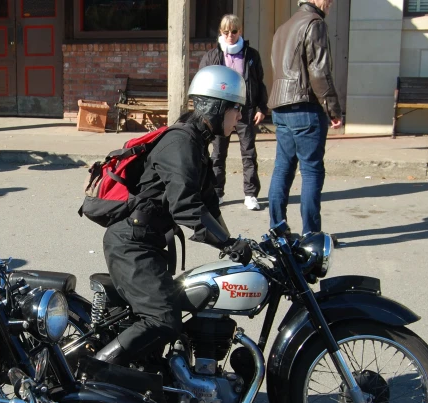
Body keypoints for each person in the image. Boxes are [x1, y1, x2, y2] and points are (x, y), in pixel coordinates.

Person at [94, 65, 253, 364]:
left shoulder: (197, 143)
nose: (240, 116)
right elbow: (186, 206)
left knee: (182, 310)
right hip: (132, 246)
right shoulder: (182, 144)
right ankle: (93, 371)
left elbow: (208, 206)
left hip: (147, 242)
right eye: (236, 108)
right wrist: (228, 246)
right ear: (215, 107)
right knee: (163, 321)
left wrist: (233, 241)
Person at [267, 0, 342, 235]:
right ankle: (312, 234)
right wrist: (333, 109)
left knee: (283, 168)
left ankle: (277, 229)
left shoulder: (284, 27)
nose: (331, 4)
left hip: (280, 105)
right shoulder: (315, 23)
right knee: (311, 170)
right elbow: (319, 72)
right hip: (304, 106)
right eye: (329, 0)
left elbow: (276, 66)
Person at [199, 14, 268, 212]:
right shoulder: (212, 56)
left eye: (234, 31)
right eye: (226, 32)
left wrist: (262, 108)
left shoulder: (251, 55)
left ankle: (250, 194)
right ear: (221, 32)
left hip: (245, 110)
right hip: (220, 112)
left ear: (240, 31)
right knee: (218, 154)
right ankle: (217, 192)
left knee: (249, 153)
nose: (230, 35)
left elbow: (259, 82)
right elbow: (204, 83)